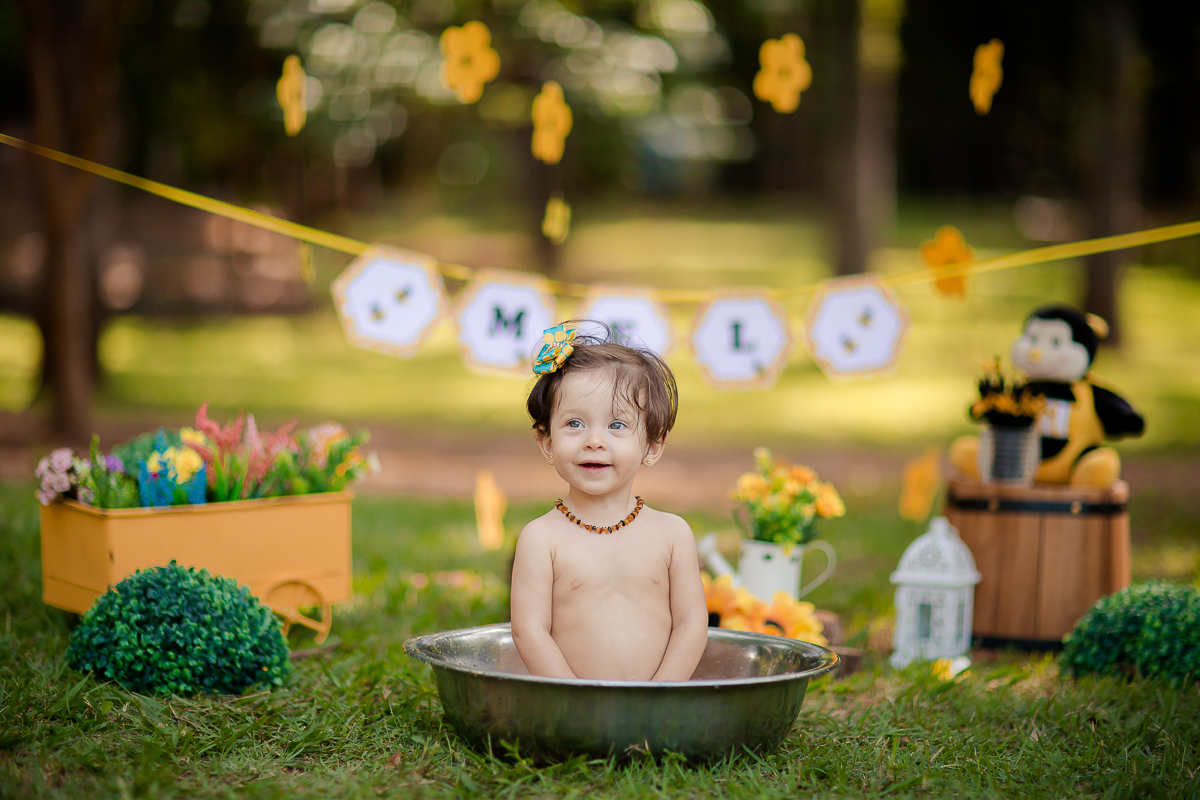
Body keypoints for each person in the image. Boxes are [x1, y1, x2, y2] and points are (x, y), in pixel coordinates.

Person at [510, 323, 709, 681]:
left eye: (617, 425)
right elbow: (529, 631)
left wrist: (661, 694)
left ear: (652, 446)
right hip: (571, 707)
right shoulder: (540, 538)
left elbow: (691, 624)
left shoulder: (672, 534)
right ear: (547, 442)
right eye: (574, 423)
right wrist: (575, 699)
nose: (594, 441)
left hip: (656, 707)